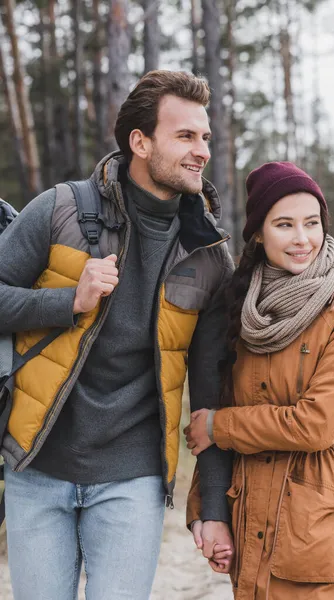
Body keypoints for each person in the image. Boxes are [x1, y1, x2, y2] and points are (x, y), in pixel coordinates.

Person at [0, 70, 234, 600]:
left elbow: (210, 398)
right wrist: (67, 300)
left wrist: (213, 509)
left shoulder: (207, 257)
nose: (202, 151)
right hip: (37, 470)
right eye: (186, 136)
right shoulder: (60, 210)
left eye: (205, 138)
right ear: (140, 141)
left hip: (134, 481)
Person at [185, 161, 334, 599]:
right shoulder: (242, 304)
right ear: (258, 233)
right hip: (251, 514)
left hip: (318, 522)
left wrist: (220, 427)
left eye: (311, 223)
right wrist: (209, 510)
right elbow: (213, 415)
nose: (302, 238)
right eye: (284, 224)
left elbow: (316, 424)